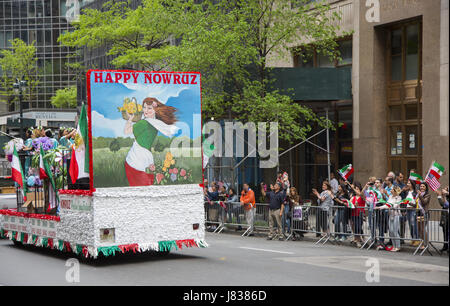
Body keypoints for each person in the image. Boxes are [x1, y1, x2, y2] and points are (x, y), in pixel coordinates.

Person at [123, 97, 179, 186]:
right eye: (144, 107)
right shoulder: (156, 123)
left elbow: (126, 131)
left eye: (149, 108)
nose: (145, 110)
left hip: (135, 159)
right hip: (146, 157)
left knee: (138, 186)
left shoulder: (144, 123)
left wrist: (130, 119)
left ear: (155, 110)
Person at [376, 185, 402, 252]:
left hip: (396, 215)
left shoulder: (398, 198)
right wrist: (380, 207)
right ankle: (394, 245)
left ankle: (398, 246)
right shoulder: (390, 196)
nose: (391, 191)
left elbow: (395, 205)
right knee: (391, 231)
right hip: (390, 215)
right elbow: (387, 204)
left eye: (392, 190)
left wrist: (388, 205)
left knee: (395, 231)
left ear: (395, 191)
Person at [346, 181, 366, 247]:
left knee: (358, 227)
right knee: (355, 227)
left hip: (360, 214)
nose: (356, 190)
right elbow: (349, 204)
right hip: (353, 214)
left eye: (357, 189)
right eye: (355, 189)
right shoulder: (353, 197)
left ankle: (360, 239)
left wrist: (365, 186)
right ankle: (358, 239)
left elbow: (361, 194)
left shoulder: (362, 197)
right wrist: (353, 205)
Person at [400, 179, 419, 247]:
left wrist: (410, 203)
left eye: (409, 183)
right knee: (410, 225)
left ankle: (417, 239)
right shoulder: (407, 192)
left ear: (412, 184)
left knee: (414, 224)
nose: (407, 184)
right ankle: (413, 238)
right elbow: (404, 200)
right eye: (407, 183)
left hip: (413, 209)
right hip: (407, 210)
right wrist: (404, 210)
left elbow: (416, 203)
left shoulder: (415, 192)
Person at [416, 182, 431, 250]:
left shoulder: (427, 194)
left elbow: (424, 202)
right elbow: (416, 204)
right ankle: (422, 243)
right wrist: (408, 202)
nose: (421, 188)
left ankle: (426, 244)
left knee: (422, 229)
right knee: (419, 229)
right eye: (421, 186)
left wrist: (420, 196)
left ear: (426, 188)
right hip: (418, 213)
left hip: (424, 213)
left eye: (423, 186)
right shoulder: (418, 195)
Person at [436, 187, 449, 253]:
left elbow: (446, 205)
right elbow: (443, 204)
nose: (444, 190)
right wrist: (439, 196)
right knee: (445, 231)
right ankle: (445, 246)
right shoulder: (445, 197)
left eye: (446, 189)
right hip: (445, 217)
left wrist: (444, 194)